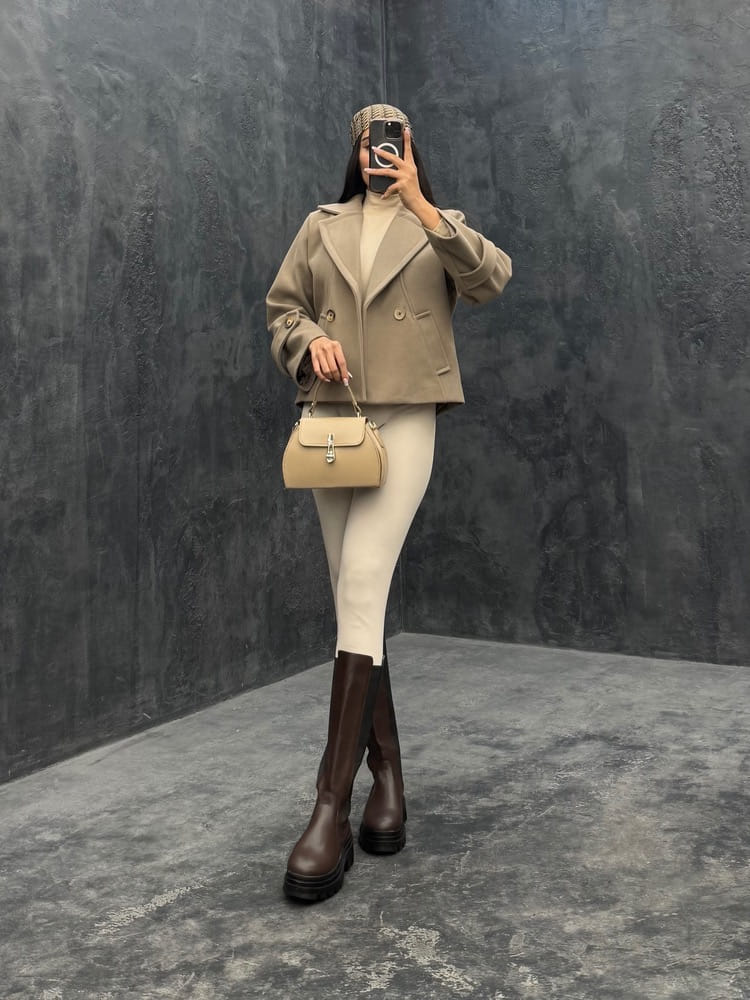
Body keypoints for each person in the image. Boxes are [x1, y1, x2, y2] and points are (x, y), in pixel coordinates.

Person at [267, 103, 512, 902]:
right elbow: (283, 309)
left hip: (406, 417)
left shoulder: (438, 224)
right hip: (333, 425)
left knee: (365, 583)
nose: (379, 153)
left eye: (394, 142)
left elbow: (490, 280)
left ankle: (328, 811)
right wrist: (310, 341)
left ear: (408, 148)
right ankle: (391, 784)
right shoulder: (322, 225)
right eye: (370, 143)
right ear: (354, 150)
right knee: (354, 603)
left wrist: (420, 203)